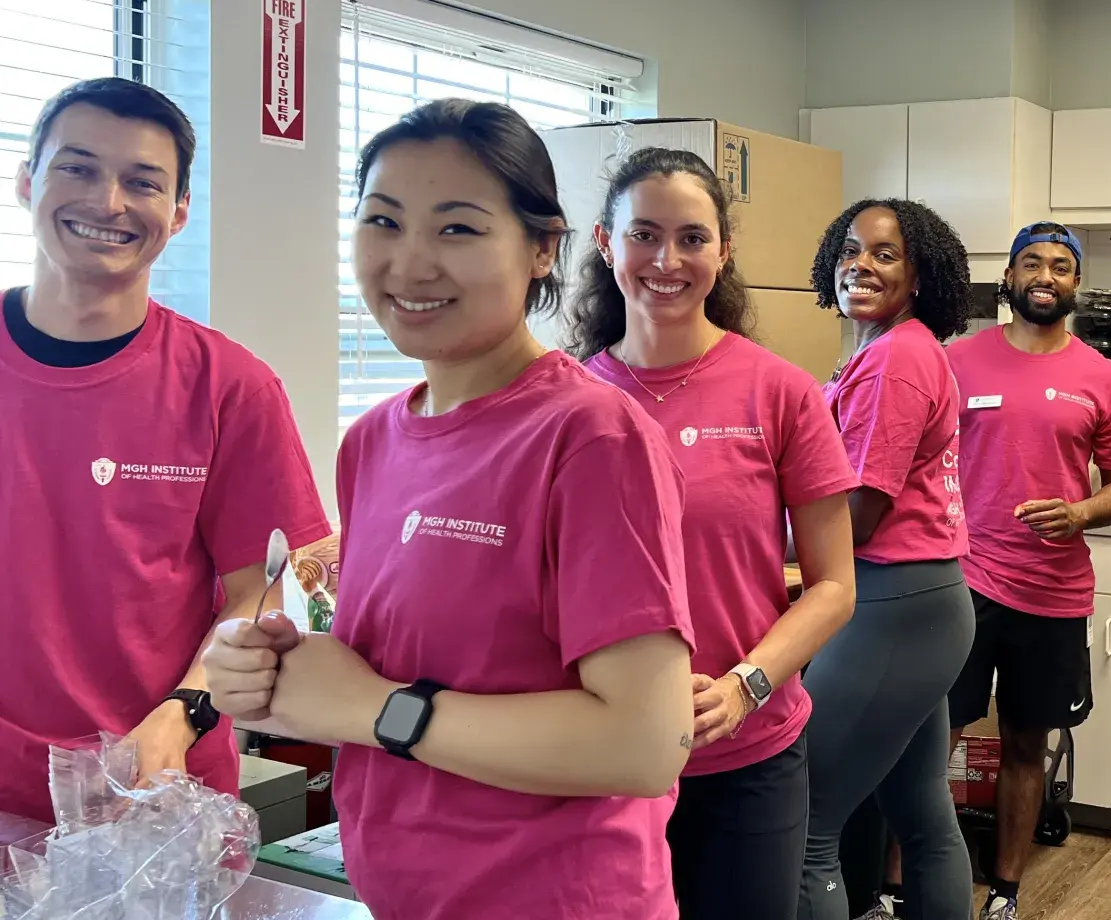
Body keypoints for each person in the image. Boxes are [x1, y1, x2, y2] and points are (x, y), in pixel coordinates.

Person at [202, 100, 695, 920]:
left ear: (542, 248)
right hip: (398, 895)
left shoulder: (591, 436)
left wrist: (374, 710)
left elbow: (645, 744)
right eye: (383, 222)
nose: (411, 263)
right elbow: (424, 657)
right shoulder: (372, 442)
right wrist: (271, 669)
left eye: (458, 229)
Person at [0, 78, 330, 823]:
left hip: (158, 799)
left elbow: (271, 586)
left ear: (179, 212)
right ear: (27, 181)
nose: (107, 202)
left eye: (142, 182)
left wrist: (183, 714)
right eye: (77, 167)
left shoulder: (229, 387)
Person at [563, 146, 858, 920]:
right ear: (604, 242)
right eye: (645, 235)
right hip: (598, 758)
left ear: (723, 252)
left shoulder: (781, 392)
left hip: (745, 757)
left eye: (693, 238)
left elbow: (833, 587)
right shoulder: (565, 402)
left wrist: (745, 686)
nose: (668, 259)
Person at [938, 222, 1111, 920]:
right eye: (1032, 263)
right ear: (1012, 278)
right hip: (959, 583)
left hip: (1052, 589)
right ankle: (901, 886)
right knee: (935, 735)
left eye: (1060, 265)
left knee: (1028, 743)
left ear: (1076, 283)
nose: (1045, 275)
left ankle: (1005, 891)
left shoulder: (1103, 379)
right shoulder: (957, 361)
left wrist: (1082, 513)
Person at [798, 198, 976, 920]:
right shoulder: (887, 349)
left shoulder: (896, 359)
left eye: (884, 253)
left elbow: (860, 515)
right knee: (924, 818)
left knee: (807, 827)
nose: (859, 265)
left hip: (889, 607)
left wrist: (746, 540)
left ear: (921, 273)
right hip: (924, 606)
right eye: (849, 249)